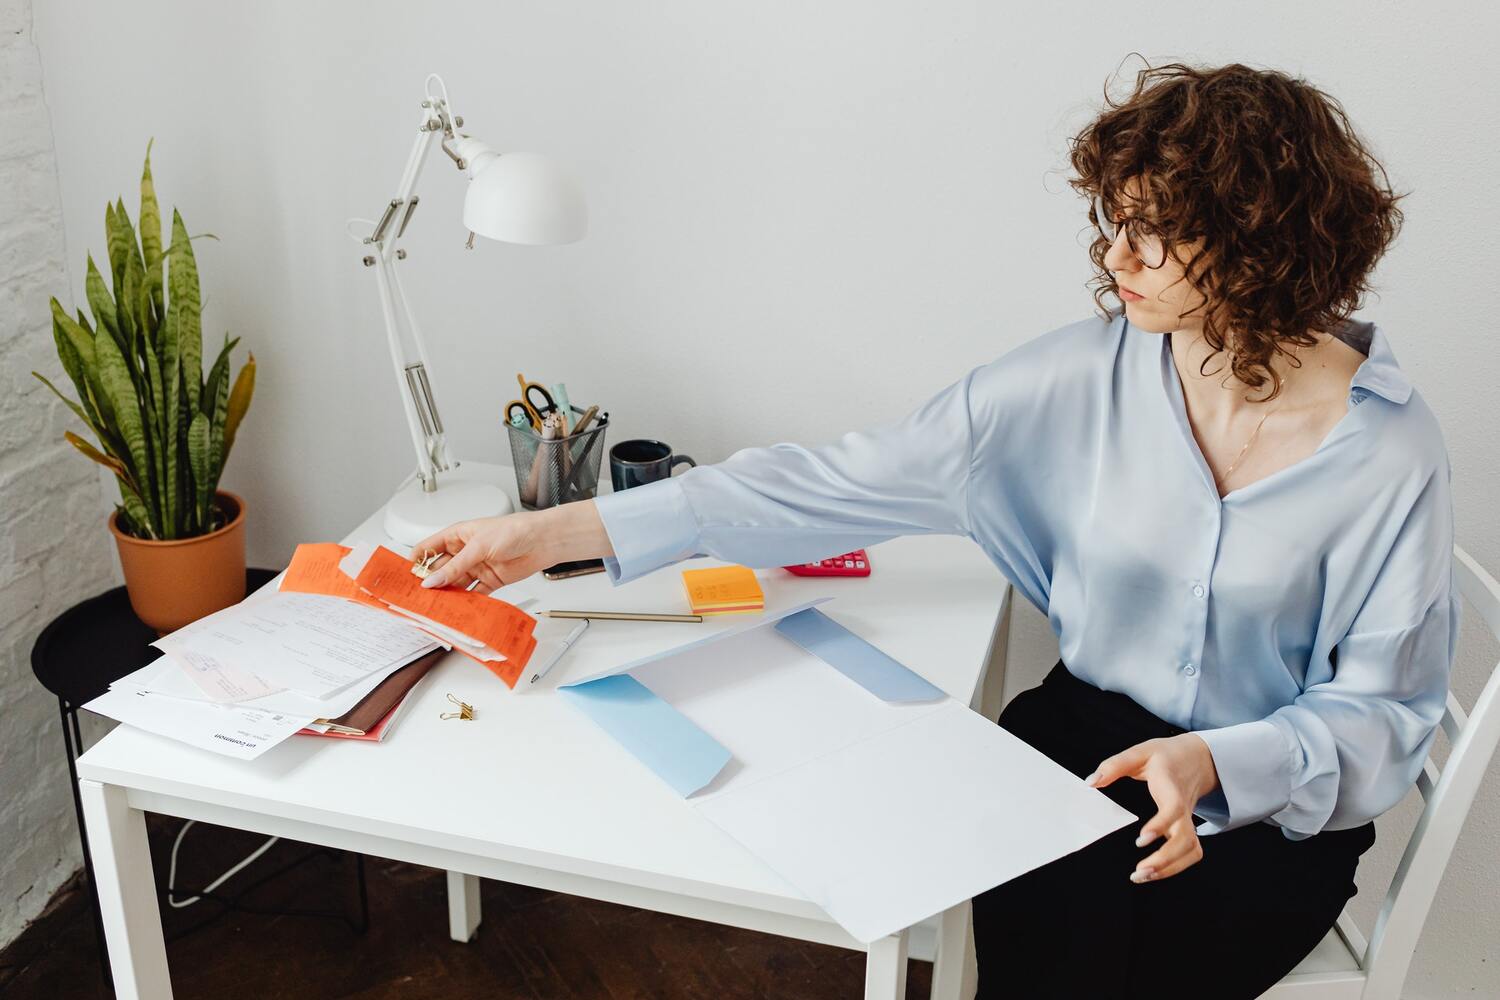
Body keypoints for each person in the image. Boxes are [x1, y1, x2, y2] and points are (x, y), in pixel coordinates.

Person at [413, 60, 1460, 999]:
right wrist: (556, 532)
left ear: (1256, 240)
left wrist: (1219, 764)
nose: (1116, 253)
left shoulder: (1389, 451)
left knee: (1116, 954)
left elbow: (1386, 715)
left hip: (1265, 813)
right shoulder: (1076, 378)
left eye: (1154, 229)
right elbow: (835, 480)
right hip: (1084, 751)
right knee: (1004, 896)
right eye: (1114, 219)